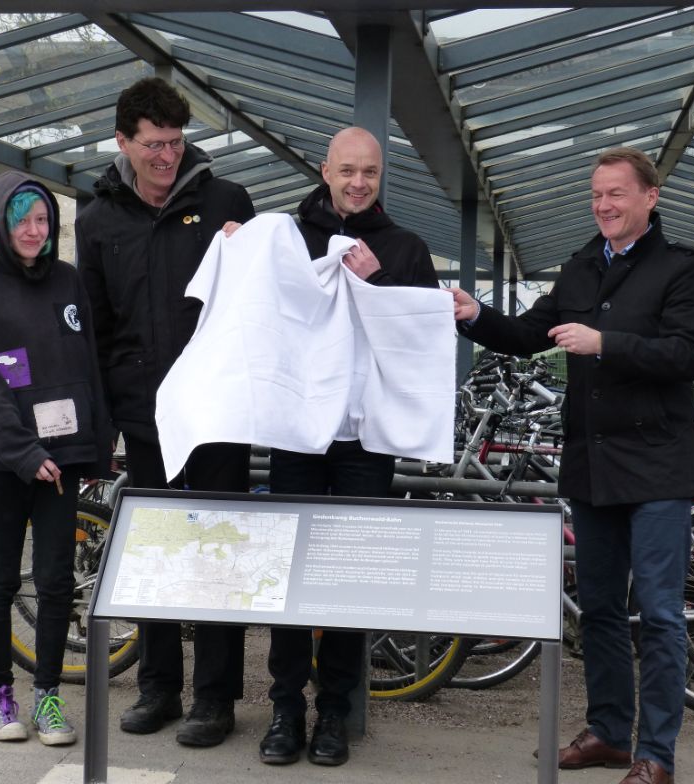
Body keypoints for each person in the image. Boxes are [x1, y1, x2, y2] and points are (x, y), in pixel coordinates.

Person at [450, 147, 694, 784]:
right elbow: (524, 336)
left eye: (616, 194)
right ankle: (607, 732)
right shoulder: (577, 269)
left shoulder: (685, 270)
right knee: (596, 607)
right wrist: (473, 316)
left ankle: (656, 753)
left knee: (658, 612)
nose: (603, 205)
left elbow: (686, 355)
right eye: (596, 195)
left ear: (650, 197)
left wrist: (607, 344)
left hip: (656, 465)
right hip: (593, 465)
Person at [75, 77, 255, 748]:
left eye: (176, 143)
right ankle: (158, 687)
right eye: (153, 145)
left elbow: (259, 301)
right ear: (123, 142)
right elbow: (93, 326)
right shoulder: (96, 220)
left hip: (215, 415)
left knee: (216, 553)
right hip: (143, 414)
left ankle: (214, 698)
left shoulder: (226, 201)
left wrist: (252, 246)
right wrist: (101, 424)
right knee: (155, 550)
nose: (167, 158)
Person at [254, 127, 440, 767]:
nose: (358, 183)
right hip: (298, 435)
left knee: (345, 578)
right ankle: (284, 708)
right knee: (289, 574)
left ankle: (334, 711)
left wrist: (379, 281)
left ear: (381, 176)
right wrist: (232, 247)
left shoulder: (406, 249)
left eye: (371, 173)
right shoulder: (283, 239)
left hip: (365, 440)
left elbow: (421, 341)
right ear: (326, 170)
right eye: (348, 171)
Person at [0, 171, 112, 746]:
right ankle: (0, 695)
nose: (33, 229)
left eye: (42, 219)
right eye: (22, 219)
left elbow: (87, 366)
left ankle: (47, 695)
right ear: (0, 224)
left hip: (64, 462)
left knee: (54, 581)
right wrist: (23, 453)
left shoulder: (68, 283)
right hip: (3, 464)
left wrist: (96, 447)